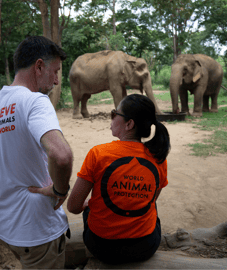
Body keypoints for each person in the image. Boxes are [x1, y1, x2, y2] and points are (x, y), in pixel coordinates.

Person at [0, 36, 73, 269]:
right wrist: (60, 189)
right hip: (38, 229)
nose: (57, 81)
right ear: (39, 66)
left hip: (7, 229)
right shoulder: (35, 102)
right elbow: (61, 155)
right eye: (55, 71)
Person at [67, 94, 170, 265]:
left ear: (129, 124)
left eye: (115, 113)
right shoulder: (158, 159)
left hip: (101, 247)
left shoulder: (98, 154)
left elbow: (73, 207)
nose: (112, 117)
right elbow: (150, 201)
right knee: (151, 204)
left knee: (90, 207)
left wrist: (88, 204)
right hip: (145, 247)